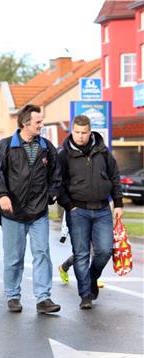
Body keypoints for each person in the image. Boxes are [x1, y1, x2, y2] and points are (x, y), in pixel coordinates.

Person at [0, 104, 62, 314]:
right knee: (14, 257)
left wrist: (51, 194)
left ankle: (43, 298)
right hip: (13, 213)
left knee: (42, 253)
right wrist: (2, 194)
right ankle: (13, 295)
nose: (42, 124)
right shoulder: (5, 146)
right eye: (38, 122)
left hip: (39, 212)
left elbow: (56, 174)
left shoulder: (47, 147)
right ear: (25, 123)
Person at [57, 114, 123, 310]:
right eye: (77, 132)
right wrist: (68, 205)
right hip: (78, 211)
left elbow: (114, 176)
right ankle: (85, 294)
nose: (80, 136)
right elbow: (58, 183)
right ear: (72, 131)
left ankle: (92, 277)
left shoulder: (102, 150)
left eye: (84, 132)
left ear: (90, 131)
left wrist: (118, 203)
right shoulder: (64, 154)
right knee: (81, 254)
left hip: (103, 208)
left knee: (104, 251)